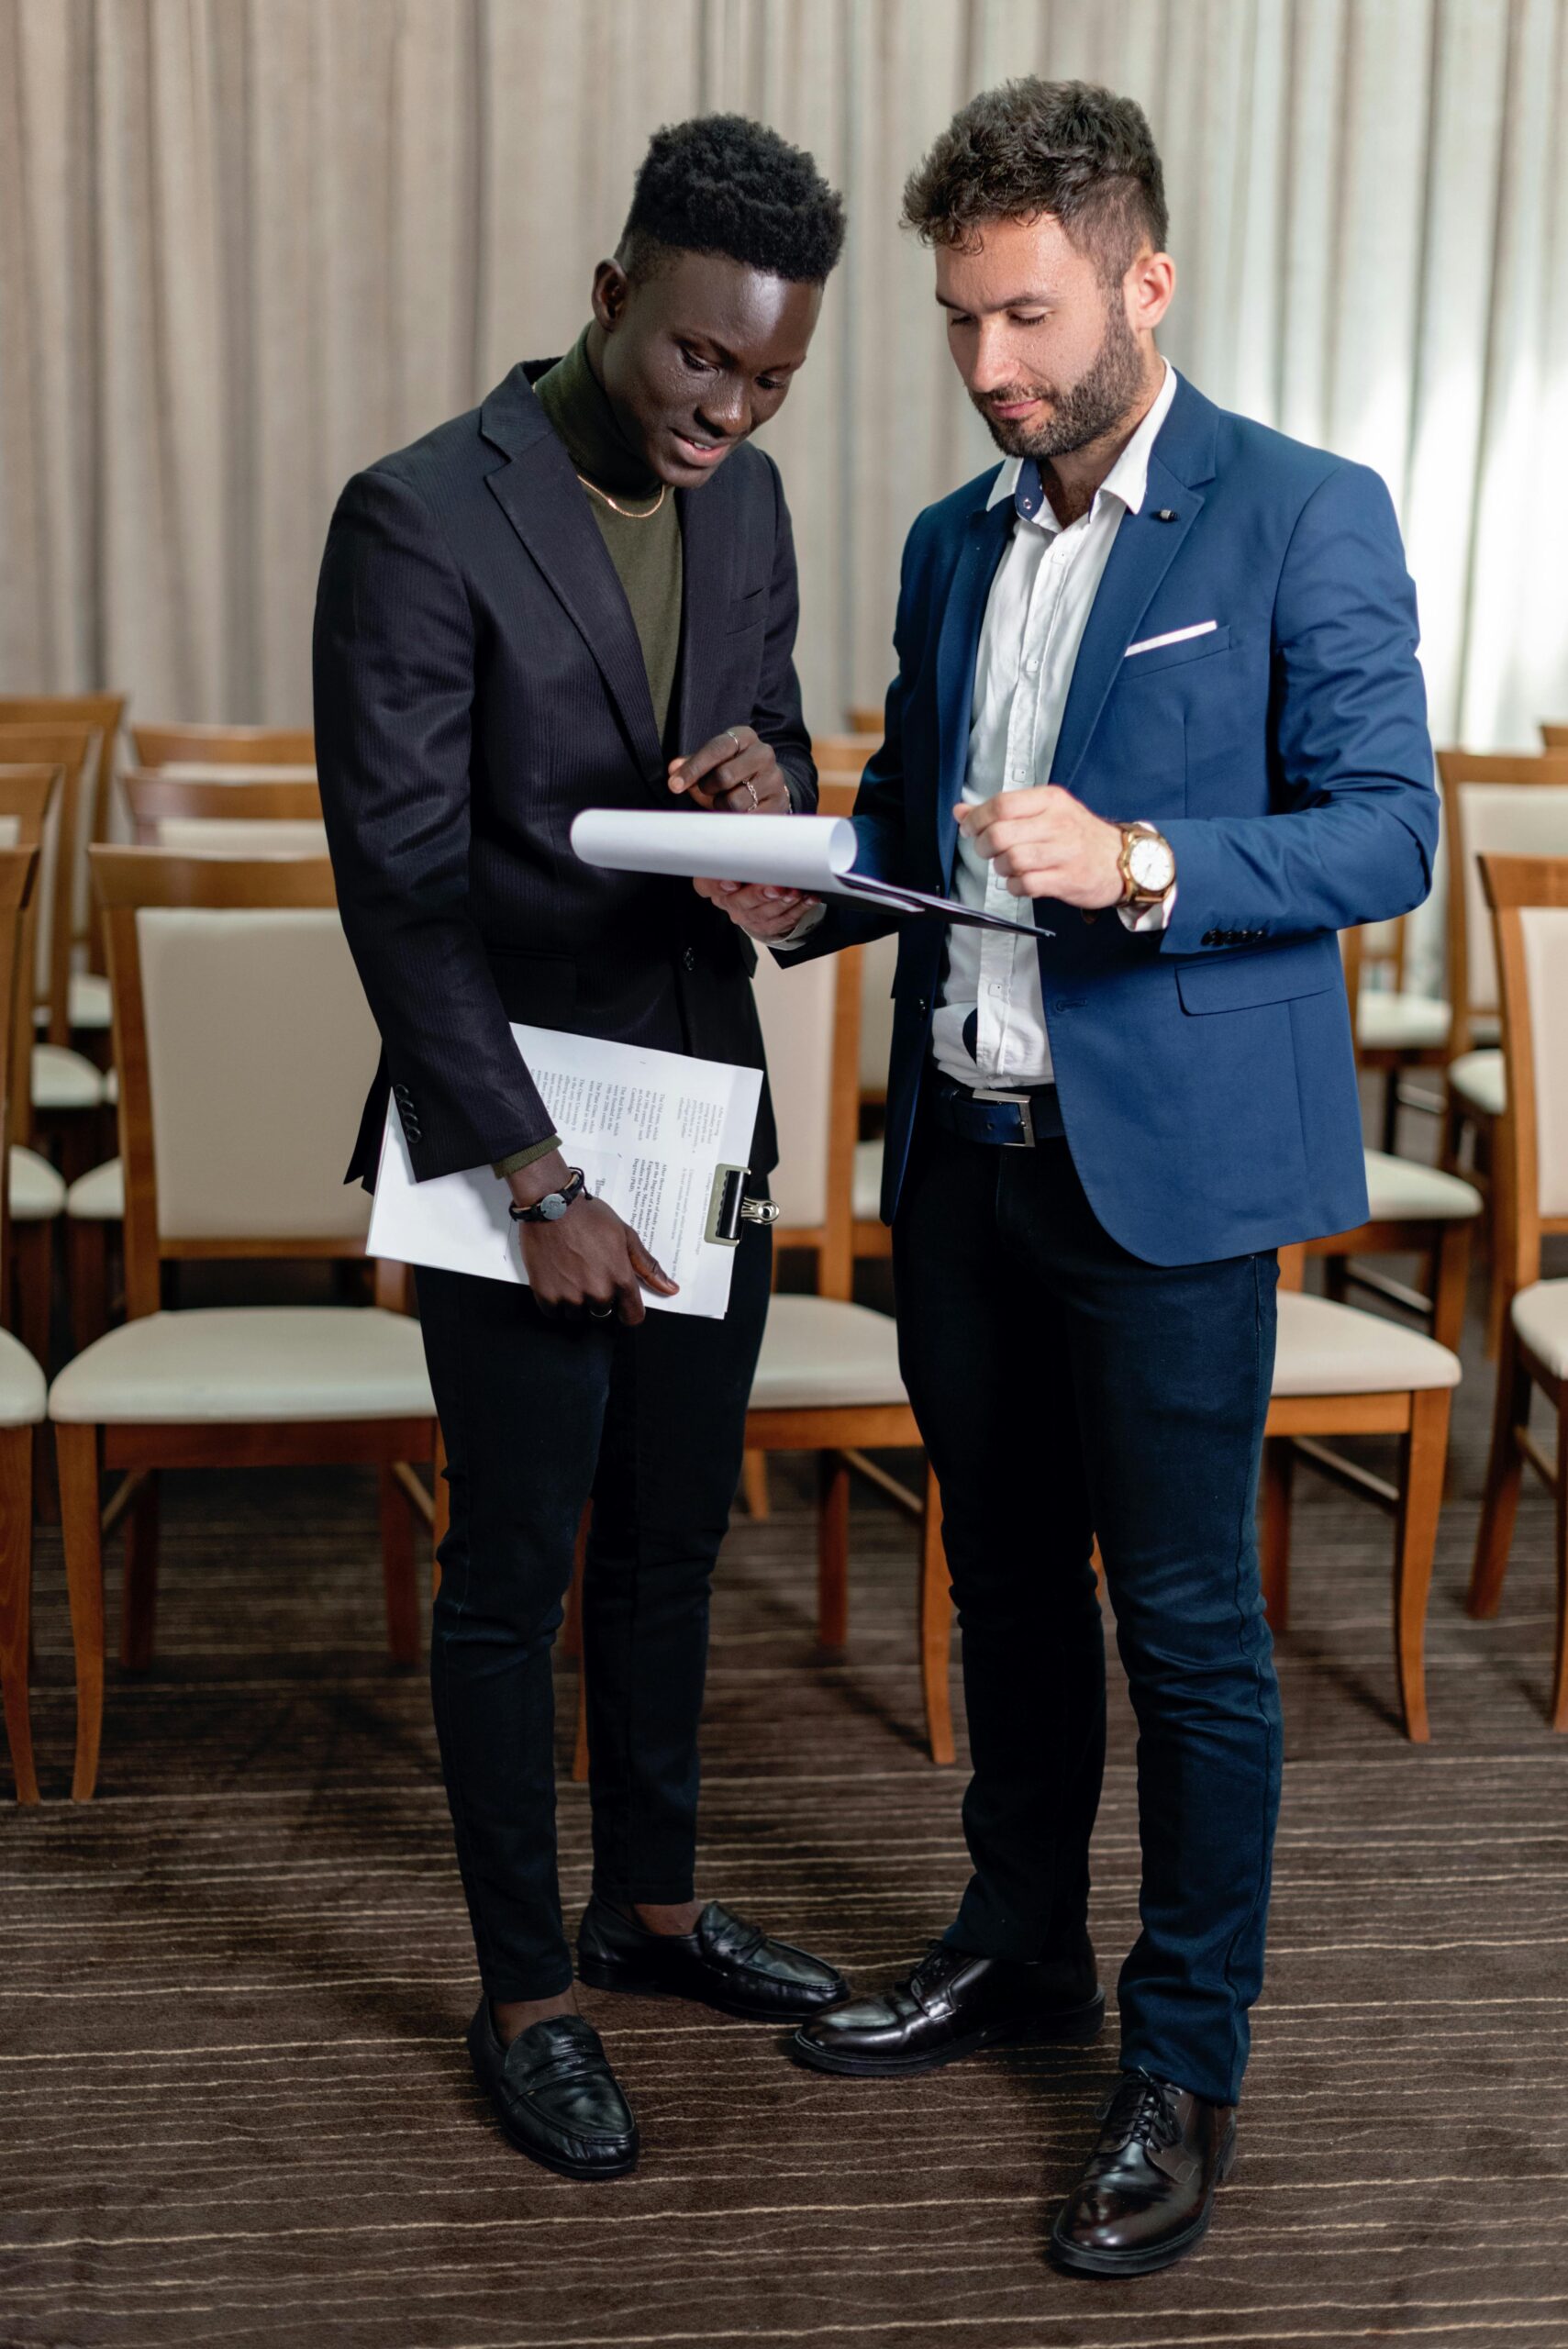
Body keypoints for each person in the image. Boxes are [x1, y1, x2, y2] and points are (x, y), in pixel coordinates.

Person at [701, 78, 1437, 2276]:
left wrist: (1144, 861)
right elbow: (919, 834)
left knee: (1192, 1627)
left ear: (1142, 280)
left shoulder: (1303, 513)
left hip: (1172, 1179)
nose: (992, 368)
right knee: (1005, 1590)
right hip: (968, 1157)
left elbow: (1387, 827)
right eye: (959, 324)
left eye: (1024, 316)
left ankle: (1181, 2057)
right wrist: (786, 860)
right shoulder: (954, 538)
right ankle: (1016, 1944)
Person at [314, 115, 851, 2184]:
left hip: (702, 1104)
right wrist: (532, 1181)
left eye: (773, 377)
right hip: (515, 1129)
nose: (731, 408)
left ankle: (652, 1907)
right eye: (705, 359)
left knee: (670, 1540)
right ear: (615, 291)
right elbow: (402, 891)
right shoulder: (421, 514)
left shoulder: (761, 499)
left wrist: (768, 803)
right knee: (514, 1567)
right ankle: (526, 1989)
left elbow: (782, 781)